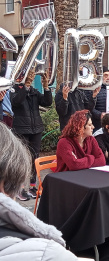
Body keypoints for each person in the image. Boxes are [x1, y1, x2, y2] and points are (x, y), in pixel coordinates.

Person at [0, 122, 79, 260]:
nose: (91, 127)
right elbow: (75, 164)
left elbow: (100, 159)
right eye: (88, 125)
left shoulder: (92, 140)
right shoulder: (47, 253)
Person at [10, 71, 52, 201]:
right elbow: (17, 102)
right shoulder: (14, 89)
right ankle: (20, 188)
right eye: (28, 77)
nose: (30, 79)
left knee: (34, 158)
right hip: (21, 129)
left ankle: (33, 186)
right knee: (23, 159)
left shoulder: (34, 91)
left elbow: (47, 102)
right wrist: (26, 87)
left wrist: (46, 87)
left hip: (36, 129)